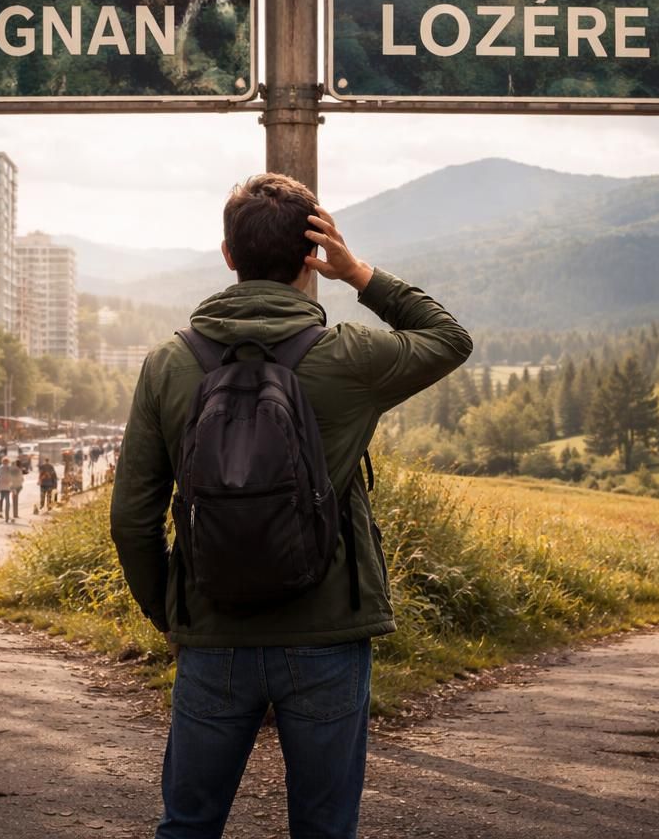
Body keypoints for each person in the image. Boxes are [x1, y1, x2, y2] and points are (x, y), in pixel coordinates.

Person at [110, 174, 471, 839]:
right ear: (313, 256)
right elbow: (449, 337)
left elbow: (132, 517)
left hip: (213, 635)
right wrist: (359, 274)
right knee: (324, 828)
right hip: (327, 634)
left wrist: (173, 613)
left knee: (187, 825)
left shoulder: (170, 363)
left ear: (227, 255)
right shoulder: (350, 356)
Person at [0, 455, 23, 522]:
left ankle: (2, 513)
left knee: (2, 500)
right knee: (7, 502)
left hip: (2, 487)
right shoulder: (8, 468)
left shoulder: (0, 468)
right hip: (7, 487)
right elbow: (13, 477)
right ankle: (6, 517)